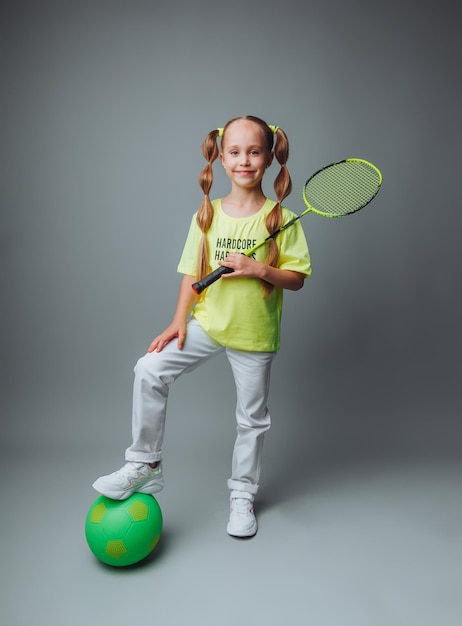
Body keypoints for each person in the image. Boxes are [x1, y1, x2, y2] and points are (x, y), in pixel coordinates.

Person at [92, 115, 311, 537]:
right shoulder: (206, 216)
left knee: (252, 420)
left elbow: (296, 279)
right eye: (235, 152)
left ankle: (242, 494)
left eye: (254, 152)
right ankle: (145, 464)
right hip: (208, 324)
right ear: (221, 158)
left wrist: (257, 268)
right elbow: (191, 275)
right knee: (149, 369)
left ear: (268, 158)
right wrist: (178, 322)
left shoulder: (281, 218)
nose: (244, 160)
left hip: (254, 335)